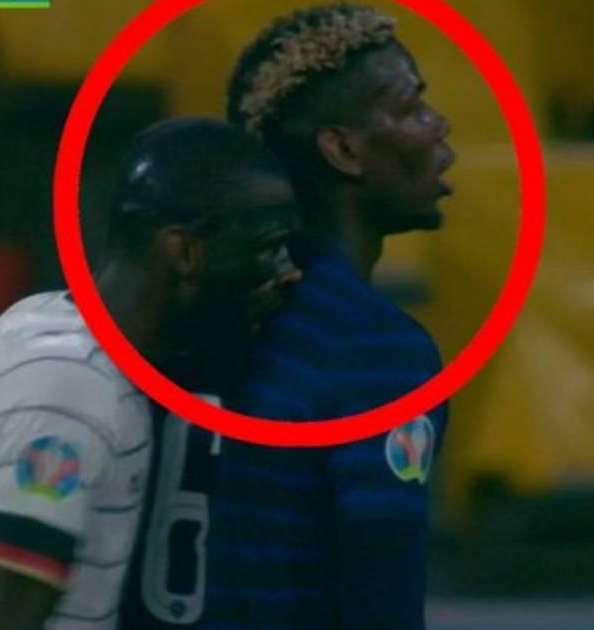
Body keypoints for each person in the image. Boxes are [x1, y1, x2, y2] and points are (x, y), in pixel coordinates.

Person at [0, 117, 300, 630]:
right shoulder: (73, 386)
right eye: (266, 247)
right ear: (186, 252)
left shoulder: (42, 321)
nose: (285, 270)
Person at [122, 5, 455, 630]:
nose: (439, 125)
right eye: (413, 108)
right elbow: (382, 595)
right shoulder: (376, 350)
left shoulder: (185, 316)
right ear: (343, 150)